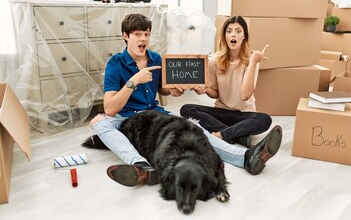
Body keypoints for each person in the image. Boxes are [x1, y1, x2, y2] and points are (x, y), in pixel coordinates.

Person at [89, 14, 282, 188]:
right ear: (126, 36)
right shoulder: (115, 63)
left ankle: (246, 158)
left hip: (155, 116)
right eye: (137, 34)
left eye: (146, 34)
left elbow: (162, 88)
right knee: (99, 122)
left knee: (194, 127)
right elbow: (110, 108)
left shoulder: (155, 58)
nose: (143, 39)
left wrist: (172, 90)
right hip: (126, 119)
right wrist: (133, 82)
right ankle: (140, 166)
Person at [180, 15, 282, 171]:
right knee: (186, 109)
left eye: (238, 31)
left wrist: (254, 62)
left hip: (244, 114)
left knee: (264, 119)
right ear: (224, 36)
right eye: (229, 31)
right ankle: (238, 135)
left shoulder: (251, 61)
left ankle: (223, 135)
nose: (233, 35)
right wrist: (205, 88)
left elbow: (245, 95)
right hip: (222, 112)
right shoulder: (215, 61)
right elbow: (215, 94)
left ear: (244, 36)